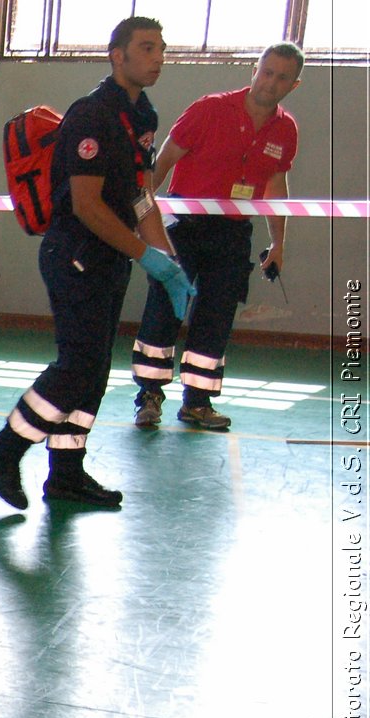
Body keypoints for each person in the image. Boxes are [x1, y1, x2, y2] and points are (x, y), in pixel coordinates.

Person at [0, 17, 193, 511]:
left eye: (161, 48)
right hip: (74, 255)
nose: (158, 57)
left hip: (110, 259)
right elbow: (88, 206)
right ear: (117, 55)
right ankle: (2, 452)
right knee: (77, 366)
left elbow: (141, 196)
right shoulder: (91, 116)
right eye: (147, 47)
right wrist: (147, 257)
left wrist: (169, 261)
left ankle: (66, 474)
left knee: (93, 372)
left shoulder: (143, 116)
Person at [129, 43, 304, 432]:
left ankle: (197, 403)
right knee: (166, 307)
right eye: (266, 72)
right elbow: (161, 164)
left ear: (293, 85)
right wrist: (142, 217)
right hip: (182, 227)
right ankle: (149, 398)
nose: (270, 82)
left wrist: (278, 244)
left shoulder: (286, 129)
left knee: (217, 315)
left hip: (233, 232)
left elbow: (277, 185)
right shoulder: (209, 108)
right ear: (254, 70)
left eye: (281, 77)